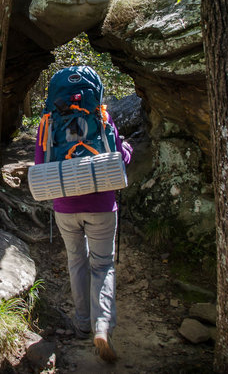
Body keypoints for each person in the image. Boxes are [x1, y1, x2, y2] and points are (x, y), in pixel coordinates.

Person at [34, 69, 132, 363]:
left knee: (76, 261)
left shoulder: (47, 122)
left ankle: (80, 322)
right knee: (103, 265)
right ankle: (101, 327)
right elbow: (121, 158)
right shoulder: (102, 117)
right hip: (102, 202)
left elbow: (40, 162)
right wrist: (126, 148)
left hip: (65, 205)